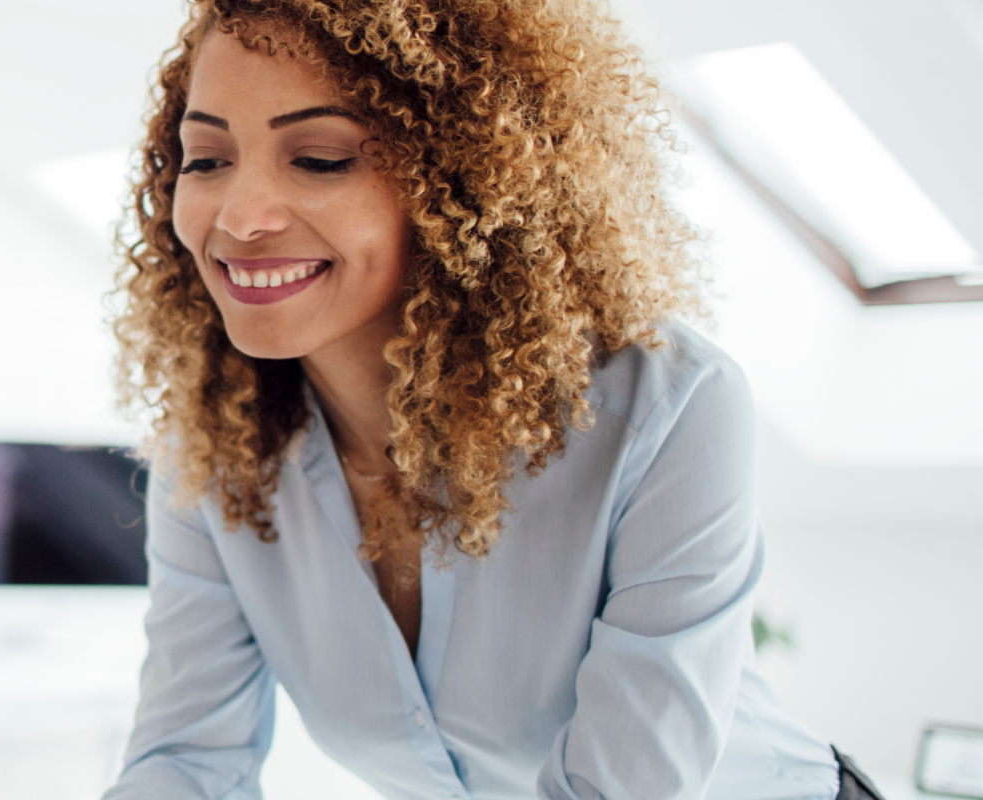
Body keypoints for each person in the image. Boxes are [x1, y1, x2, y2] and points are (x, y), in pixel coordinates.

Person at [104, 1, 883, 798]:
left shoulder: (667, 407)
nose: (238, 216)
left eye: (321, 158)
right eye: (205, 159)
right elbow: (185, 761)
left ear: (460, 176)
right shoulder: (213, 453)